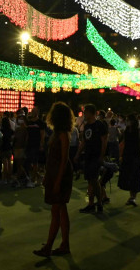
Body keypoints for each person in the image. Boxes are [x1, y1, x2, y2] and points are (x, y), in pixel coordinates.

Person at [34, 102, 73, 258]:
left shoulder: (63, 134)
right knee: (61, 210)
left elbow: (64, 159)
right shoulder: (57, 133)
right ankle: (64, 244)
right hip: (55, 173)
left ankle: (49, 247)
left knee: (56, 210)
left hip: (60, 174)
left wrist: (57, 181)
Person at [74, 104, 108, 214]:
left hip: (96, 156)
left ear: (91, 113)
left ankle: (99, 202)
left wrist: (101, 156)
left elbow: (104, 141)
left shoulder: (99, 125)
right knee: (90, 180)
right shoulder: (87, 126)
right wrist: (78, 154)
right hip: (88, 155)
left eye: (85, 112)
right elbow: (84, 141)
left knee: (93, 179)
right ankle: (91, 203)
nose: (84, 114)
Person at [118, 115, 140, 206]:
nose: (127, 122)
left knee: (135, 176)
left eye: (129, 120)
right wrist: (121, 155)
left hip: (135, 155)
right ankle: (131, 196)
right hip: (126, 155)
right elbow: (123, 143)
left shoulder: (138, 131)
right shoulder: (126, 131)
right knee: (128, 176)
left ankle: (133, 197)